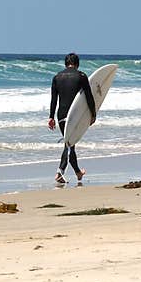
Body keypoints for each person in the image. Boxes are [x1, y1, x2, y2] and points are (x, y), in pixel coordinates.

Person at [48, 52, 96, 184]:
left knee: (70, 144)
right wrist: (93, 114)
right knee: (69, 144)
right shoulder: (81, 76)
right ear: (77, 63)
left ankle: (78, 173)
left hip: (61, 115)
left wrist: (51, 117)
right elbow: (89, 97)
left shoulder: (57, 77)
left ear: (65, 63)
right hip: (75, 114)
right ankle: (60, 172)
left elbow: (54, 99)